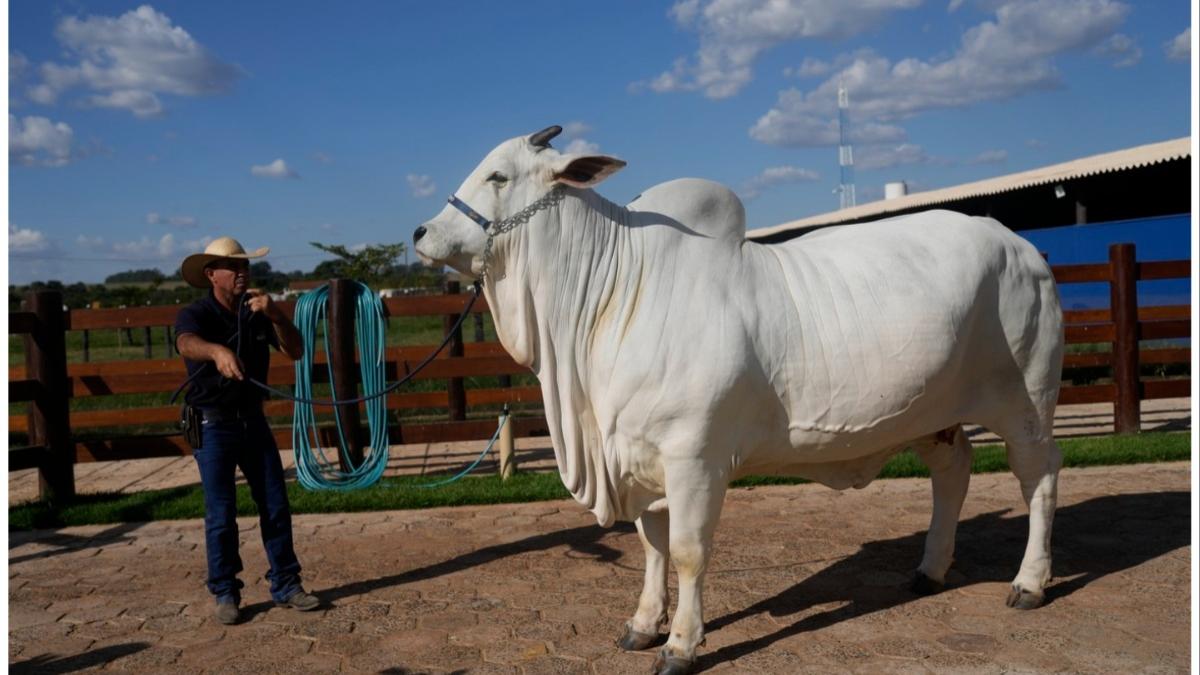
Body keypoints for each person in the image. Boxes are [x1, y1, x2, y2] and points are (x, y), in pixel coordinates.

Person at [175, 236, 319, 625]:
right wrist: (218, 352)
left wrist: (277, 317)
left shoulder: (258, 312)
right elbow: (186, 343)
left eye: (245, 267)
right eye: (233, 267)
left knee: (275, 503)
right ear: (212, 275)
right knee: (221, 512)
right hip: (213, 423)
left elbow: (297, 351)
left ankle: (287, 584)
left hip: (252, 420)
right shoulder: (196, 313)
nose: (242, 273)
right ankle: (225, 591)